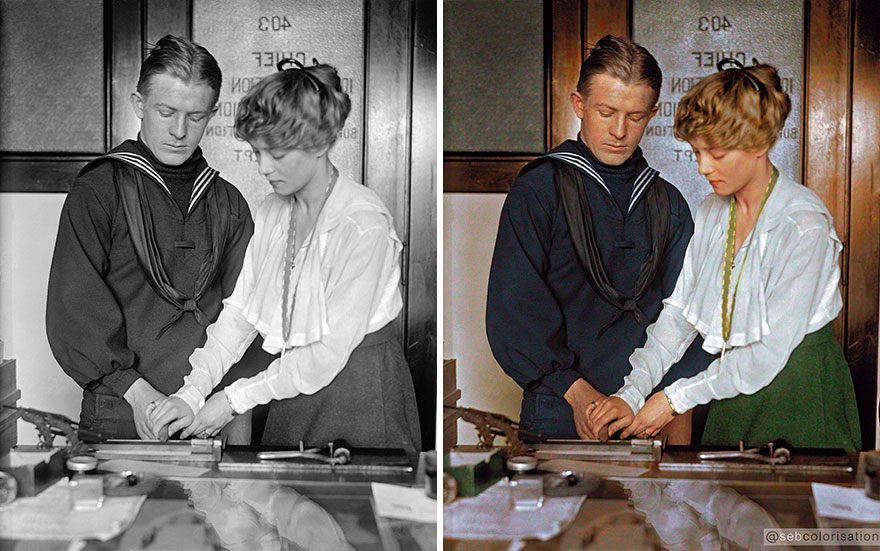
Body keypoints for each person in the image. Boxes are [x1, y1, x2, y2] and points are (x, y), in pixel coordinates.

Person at [147, 59, 421, 453]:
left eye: (276, 153)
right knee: (285, 507)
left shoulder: (363, 223)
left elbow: (326, 356)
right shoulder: (272, 211)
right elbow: (239, 315)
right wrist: (191, 394)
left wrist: (230, 400)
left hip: (361, 394)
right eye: (258, 152)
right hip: (288, 391)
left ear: (322, 143)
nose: (263, 167)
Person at [589, 60, 861, 452]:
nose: (702, 167)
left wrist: (671, 400)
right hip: (731, 389)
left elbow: (767, 355)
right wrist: (631, 393)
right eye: (697, 152)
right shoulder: (714, 212)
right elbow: (680, 315)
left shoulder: (803, 225)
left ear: (760, 145)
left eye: (715, 152)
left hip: (800, 395)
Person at [486, 35, 713, 441]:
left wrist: (657, 407)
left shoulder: (670, 203)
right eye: (606, 112)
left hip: (648, 415)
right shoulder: (538, 191)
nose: (620, 131)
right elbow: (514, 314)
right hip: (559, 408)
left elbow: (693, 315)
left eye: (636, 116)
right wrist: (580, 397)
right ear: (579, 104)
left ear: (653, 114)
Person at [46, 35, 254, 440]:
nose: (180, 131)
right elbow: (74, 311)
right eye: (166, 111)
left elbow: (248, 314)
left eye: (195, 117)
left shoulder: (229, 203)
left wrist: (215, 406)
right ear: (139, 105)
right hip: (121, 408)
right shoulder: (99, 190)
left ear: (212, 114)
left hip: (206, 415)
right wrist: (137, 395)